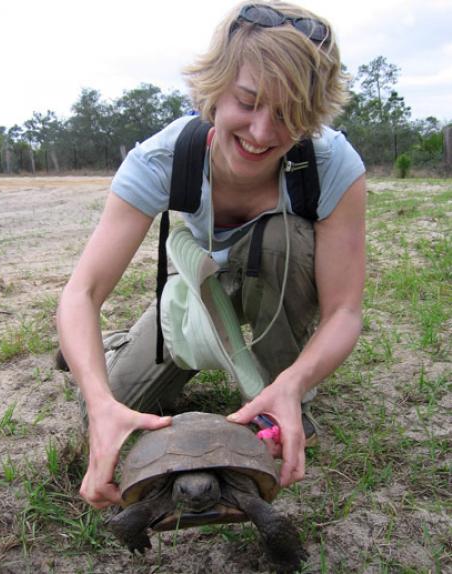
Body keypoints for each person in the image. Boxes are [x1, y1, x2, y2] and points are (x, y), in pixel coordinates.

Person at [56, 0, 366, 510]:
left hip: (277, 280)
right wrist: (99, 403)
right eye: (248, 101)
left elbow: (344, 311)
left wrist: (295, 383)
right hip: (198, 291)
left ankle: (276, 390)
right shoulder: (161, 158)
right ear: (216, 86)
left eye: (289, 114)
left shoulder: (331, 164)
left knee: (280, 236)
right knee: (118, 399)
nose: (263, 132)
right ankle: (115, 349)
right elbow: (81, 292)